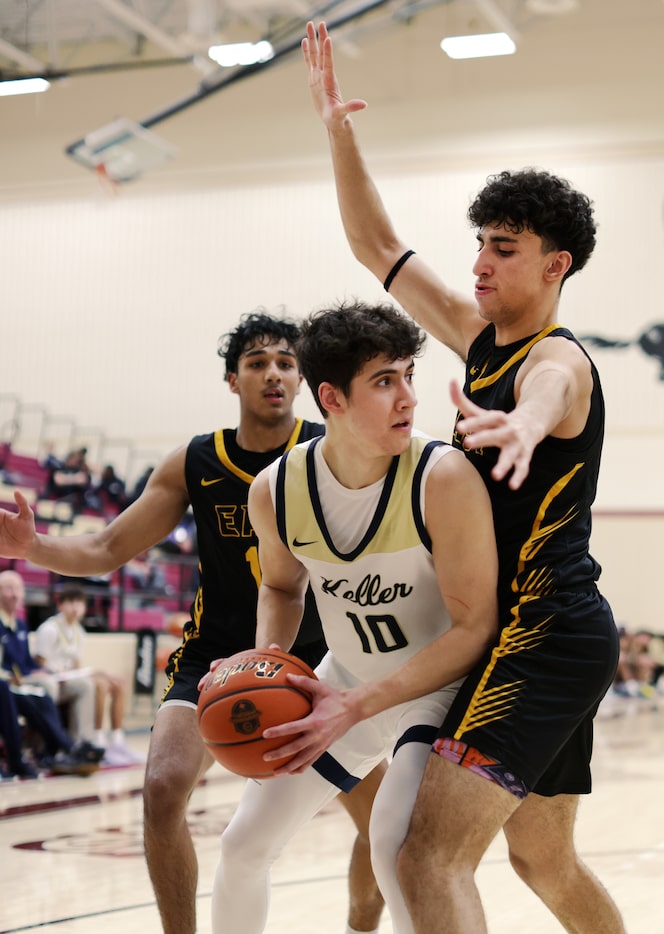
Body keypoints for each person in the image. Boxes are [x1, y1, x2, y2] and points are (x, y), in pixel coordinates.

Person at [302, 21, 625, 932]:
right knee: (543, 858)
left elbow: (549, 391)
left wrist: (521, 424)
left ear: (556, 265)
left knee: (429, 854)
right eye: (480, 240)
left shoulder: (557, 363)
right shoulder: (477, 336)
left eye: (506, 247)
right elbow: (377, 247)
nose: (481, 261)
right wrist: (336, 129)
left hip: (546, 635)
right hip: (524, 633)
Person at [0, 310, 388, 934]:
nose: (273, 375)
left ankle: (361, 924)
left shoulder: (328, 450)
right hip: (215, 656)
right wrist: (34, 548)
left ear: (303, 378)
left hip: (322, 661)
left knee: (384, 817)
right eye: (257, 363)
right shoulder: (197, 462)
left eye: (286, 363)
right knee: (161, 789)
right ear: (231, 380)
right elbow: (105, 550)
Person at [203, 301, 498, 934]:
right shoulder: (276, 490)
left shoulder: (442, 476)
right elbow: (281, 589)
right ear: (332, 397)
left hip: (440, 688)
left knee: (398, 852)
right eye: (385, 381)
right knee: (242, 845)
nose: (409, 399)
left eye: (409, 375)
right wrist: (261, 666)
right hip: (345, 680)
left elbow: (476, 628)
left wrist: (360, 704)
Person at [33, 584, 143, 766]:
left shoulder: (79, 632)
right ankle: (96, 739)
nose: (76, 607)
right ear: (60, 605)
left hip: (68, 679)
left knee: (117, 683)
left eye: (80, 603)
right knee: (98, 683)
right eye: (71, 602)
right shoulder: (50, 629)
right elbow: (38, 666)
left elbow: (77, 667)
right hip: (52, 680)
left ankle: (116, 739)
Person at [0, 569, 97, 747]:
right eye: (8, 588)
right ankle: (47, 745)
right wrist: (42, 672)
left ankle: (81, 742)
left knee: (85, 685)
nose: (14, 595)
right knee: (47, 684)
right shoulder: (49, 628)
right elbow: (26, 664)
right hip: (12, 682)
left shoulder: (20, 624)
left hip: (36, 677)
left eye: (18, 589)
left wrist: (41, 671)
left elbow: (27, 661)